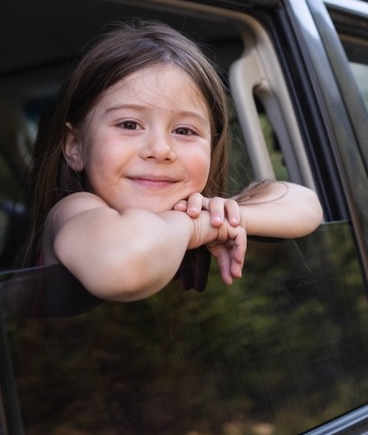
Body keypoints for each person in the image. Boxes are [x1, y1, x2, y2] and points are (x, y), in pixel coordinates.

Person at [24, 20, 323, 302]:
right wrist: (196, 229)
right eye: (129, 124)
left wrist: (218, 219)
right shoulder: (73, 212)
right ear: (75, 147)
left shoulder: (200, 214)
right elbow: (122, 263)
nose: (160, 149)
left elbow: (305, 205)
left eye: (184, 130)